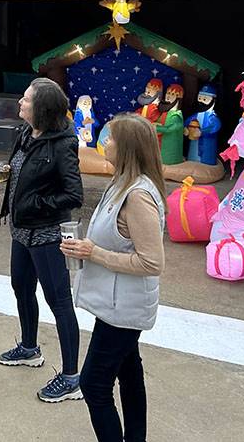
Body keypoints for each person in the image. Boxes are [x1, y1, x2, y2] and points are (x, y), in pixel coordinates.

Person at [62, 113, 166, 442]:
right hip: (117, 302)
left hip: (124, 308)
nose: (104, 143)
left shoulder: (137, 197)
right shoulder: (122, 182)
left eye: (110, 139)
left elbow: (152, 262)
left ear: (127, 149)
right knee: (129, 370)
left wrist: (95, 253)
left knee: (93, 384)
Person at [0, 77, 84, 402]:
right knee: (21, 286)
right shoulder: (25, 133)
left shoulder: (62, 143)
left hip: (46, 234)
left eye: (26, 100)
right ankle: (30, 349)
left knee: (59, 302)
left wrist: (36, 204)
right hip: (21, 231)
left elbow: (74, 194)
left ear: (42, 109)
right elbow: (24, 171)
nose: (20, 102)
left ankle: (72, 378)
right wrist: (8, 173)